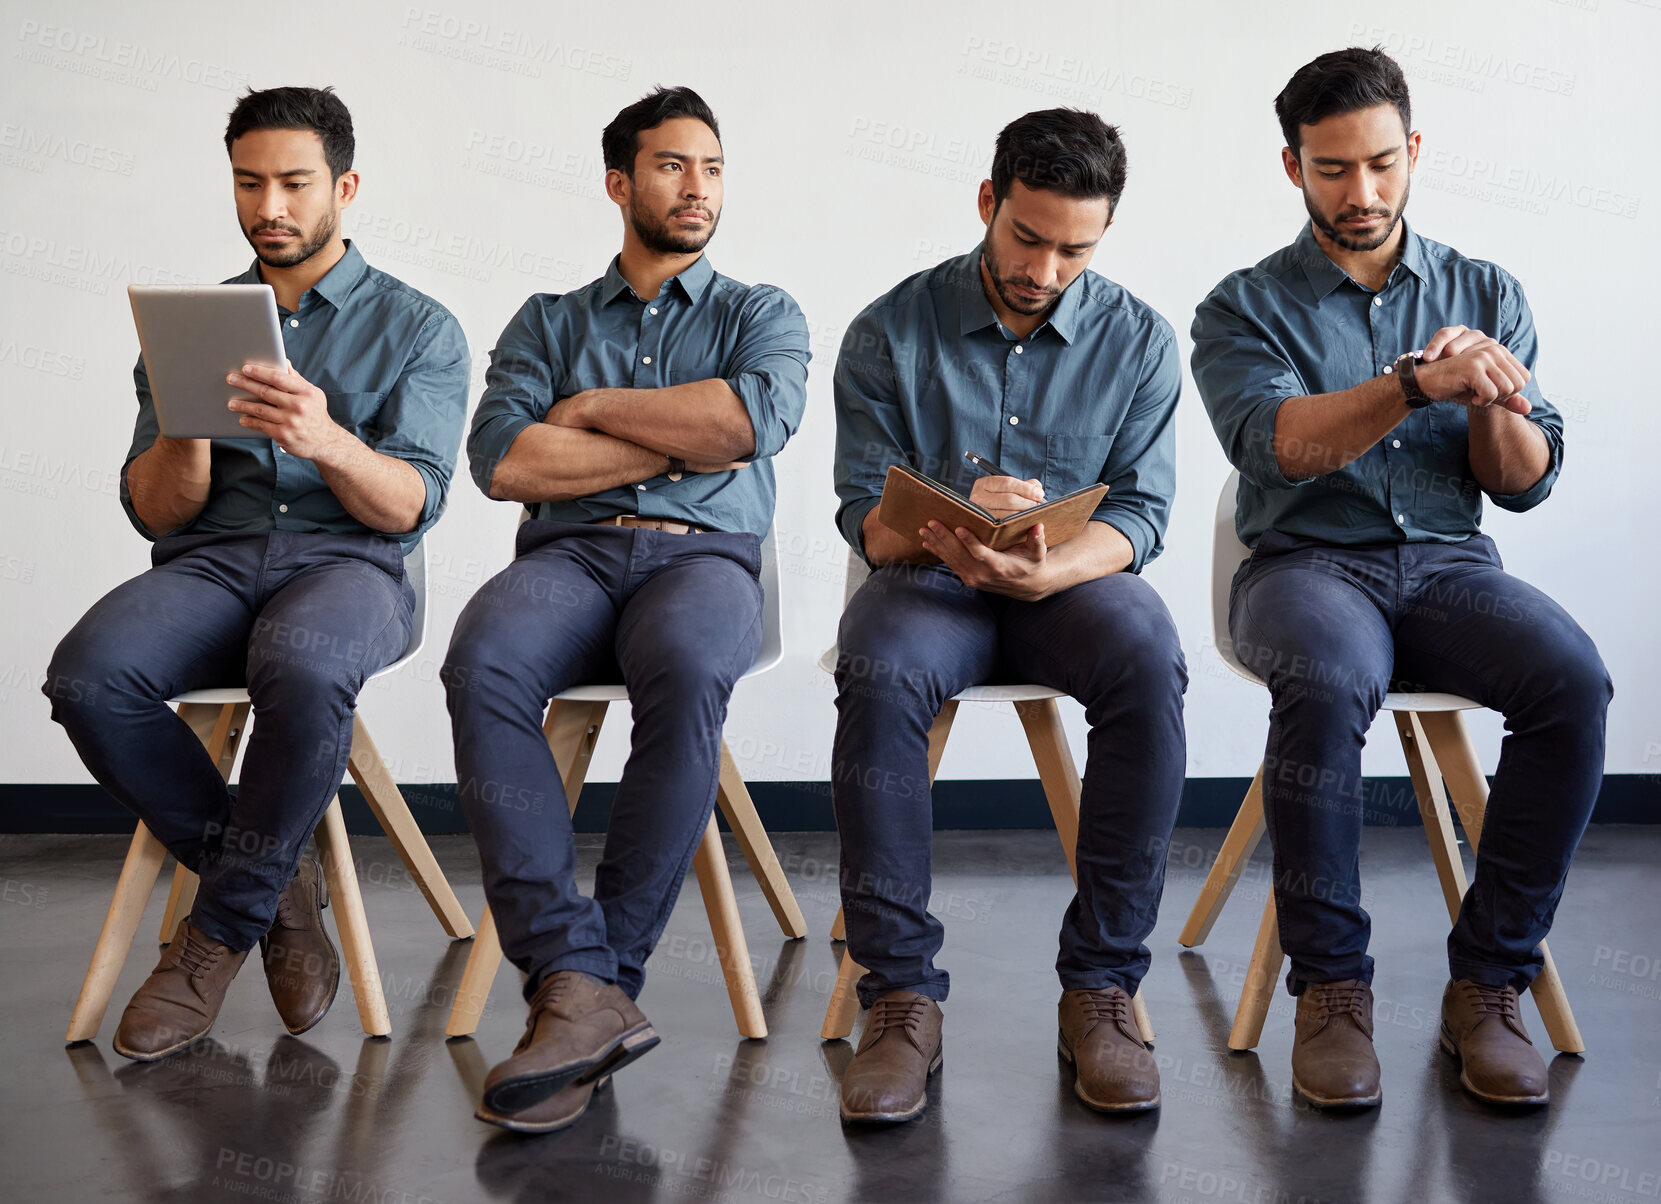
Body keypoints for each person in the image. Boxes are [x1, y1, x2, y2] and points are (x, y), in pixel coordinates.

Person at [1191, 46, 1611, 1109]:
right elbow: (1279, 444)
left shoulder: (1483, 291)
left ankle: (1488, 982)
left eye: (1380, 163)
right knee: (1327, 679)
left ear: (1412, 150)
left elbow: (1519, 487)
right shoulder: (1241, 307)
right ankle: (1330, 990)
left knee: (1571, 680)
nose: (1361, 193)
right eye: (1331, 169)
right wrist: (1414, 382)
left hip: (1445, 565)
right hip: (1300, 564)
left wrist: (1485, 402)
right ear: (1291, 167)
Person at [45, 86, 470, 1059]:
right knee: (89, 674)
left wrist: (323, 438)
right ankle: (275, 884)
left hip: (354, 565)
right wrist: (190, 436)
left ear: (344, 186)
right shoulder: (197, 325)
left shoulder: (418, 328)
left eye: (292, 183)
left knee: (304, 663)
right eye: (248, 183)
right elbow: (153, 508)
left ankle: (213, 936)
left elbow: (409, 505)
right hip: (215, 561)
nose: (268, 206)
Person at [443, 86, 809, 1134]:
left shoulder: (761, 312)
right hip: (568, 558)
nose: (696, 188)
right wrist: (679, 438)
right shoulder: (548, 321)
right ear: (619, 182)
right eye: (669, 166)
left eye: (711, 168)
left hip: (705, 566)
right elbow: (506, 460)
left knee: (689, 671)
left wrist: (595, 412)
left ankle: (595, 987)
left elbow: (748, 423)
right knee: (482, 665)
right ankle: (573, 974)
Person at [830, 107, 1187, 1123]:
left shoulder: (1138, 338)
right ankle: (898, 997)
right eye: (1027, 237)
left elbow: (1143, 512)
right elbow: (864, 515)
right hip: (928, 585)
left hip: (1068, 588)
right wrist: (955, 511)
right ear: (987, 203)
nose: (1045, 268)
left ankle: (1101, 990)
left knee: (1147, 658)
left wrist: (1057, 563)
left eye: (1074, 247)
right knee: (880, 668)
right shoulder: (888, 328)